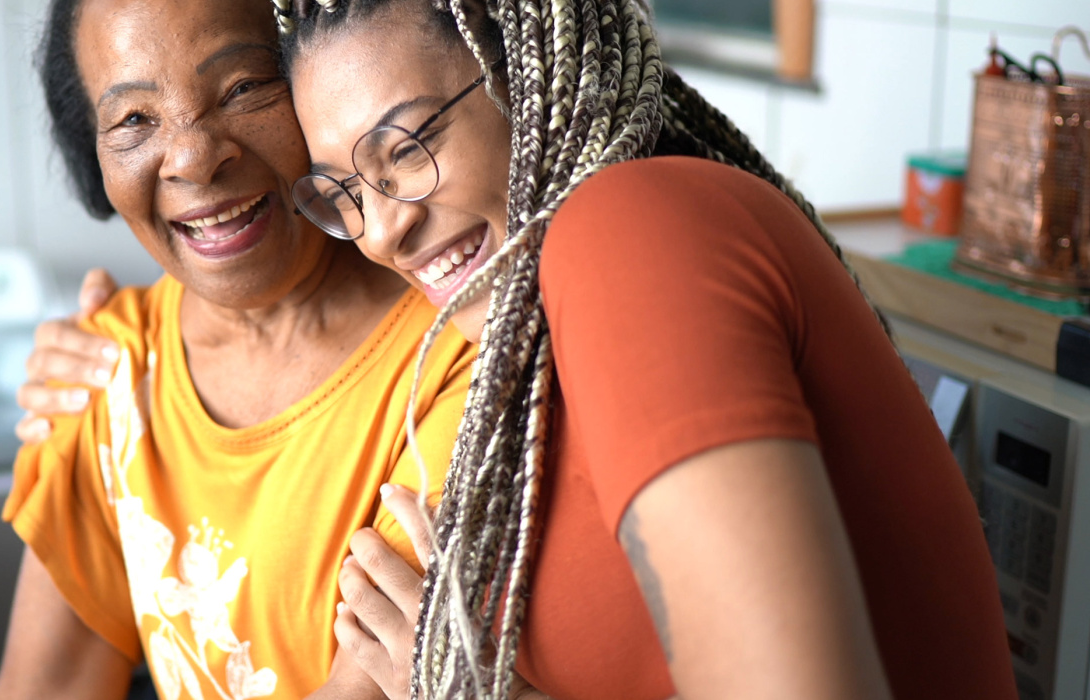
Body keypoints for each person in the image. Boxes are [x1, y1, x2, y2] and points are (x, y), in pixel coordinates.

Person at [271, 0, 1020, 698]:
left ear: (533, 84)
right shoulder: (530, 358)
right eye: (344, 194)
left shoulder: (632, 231)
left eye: (405, 146)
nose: (381, 231)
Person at [0, 0, 477, 697]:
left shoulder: (459, 354)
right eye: (133, 120)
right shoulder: (105, 374)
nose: (193, 157)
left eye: (244, 87)